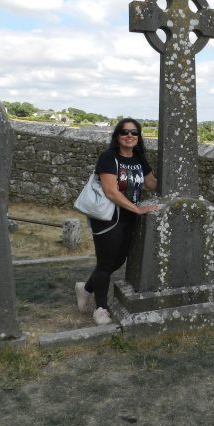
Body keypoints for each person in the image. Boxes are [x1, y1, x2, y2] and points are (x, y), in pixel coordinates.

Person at [75, 118, 159, 325]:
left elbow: (151, 184)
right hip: (108, 217)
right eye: (124, 132)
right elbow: (111, 191)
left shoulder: (139, 159)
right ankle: (101, 308)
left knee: (118, 261)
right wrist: (138, 209)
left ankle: (85, 288)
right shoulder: (109, 157)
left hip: (129, 217)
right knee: (105, 264)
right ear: (117, 136)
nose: (129, 136)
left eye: (134, 133)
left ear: (139, 137)